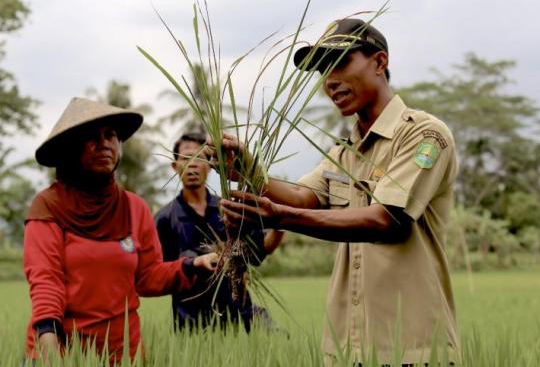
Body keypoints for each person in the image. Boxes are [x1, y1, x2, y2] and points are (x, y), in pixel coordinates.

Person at [218, 18, 460, 365]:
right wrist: (249, 170)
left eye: (339, 62)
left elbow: (388, 220)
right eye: (321, 70)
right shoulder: (345, 152)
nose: (329, 80)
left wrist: (281, 217)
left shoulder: (423, 136)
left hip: (415, 351)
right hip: (351, 351)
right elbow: (303, 196)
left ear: (379, 62)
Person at [23, 98, 218, 363]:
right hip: (65, 353)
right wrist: (49, 349)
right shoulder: (49, 206)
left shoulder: (134, 207)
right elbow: (46, 281)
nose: (104, 143)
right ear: (71, 148)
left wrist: (194, 265)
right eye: (91, 137)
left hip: (124, 353)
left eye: (110, 135)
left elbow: (148, 277)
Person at [155, 132, 282, 332]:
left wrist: (280, 222)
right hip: (191, 326)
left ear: (211, 166)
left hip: (239, 319)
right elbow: (158, 275)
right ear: (175, 166)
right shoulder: (165, 219)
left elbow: (258, 252)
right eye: (186, 158)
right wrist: (194, 264)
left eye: (199, 158)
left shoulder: (229, 209)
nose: (193, 164)